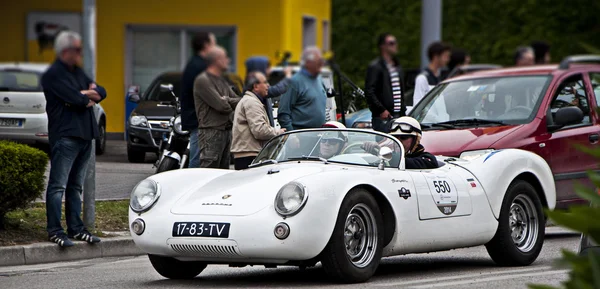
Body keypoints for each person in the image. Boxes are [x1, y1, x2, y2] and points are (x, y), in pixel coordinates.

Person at [41, 30, 106, 247]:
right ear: (64, 50)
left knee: (75, 187)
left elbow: (102, 92)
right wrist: (86, 96)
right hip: (66, 135)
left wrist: (85, 95)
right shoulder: (53, 75)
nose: (80, 54)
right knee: (58, 186)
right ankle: (55, 230)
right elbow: (76, 99)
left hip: (86, 135)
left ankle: (76, 229)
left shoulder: (78, 73)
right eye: (77, 50)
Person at [194, 46, 241, 169]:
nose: (228, 60)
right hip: (211, 132)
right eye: (225, 58)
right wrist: (228, 102)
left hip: (226, 131)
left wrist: (227, 99)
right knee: (209, 170)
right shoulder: (203, 80)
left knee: (223, 172)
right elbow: (221, 106)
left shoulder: (222, 81)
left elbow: (240, 102)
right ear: (216, 60)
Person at [231, 72, 286, 170]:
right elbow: (260, 130)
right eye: (265, 82)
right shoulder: (252, 102)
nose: (268, 85)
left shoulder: (251, 101)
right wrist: (279, 132)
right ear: (256, 86)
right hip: (249, 156)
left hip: (248, 153)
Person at [181, 32, 216, 168]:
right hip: (199, 120)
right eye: (213, 44)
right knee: (197, 160)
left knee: (198, 158)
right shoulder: (199, 67)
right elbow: (210, 94)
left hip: (197, 118)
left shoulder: (196, 64)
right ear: (206, 46)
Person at [277, 46, 327, 131]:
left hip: (318, 135)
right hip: (301, 137)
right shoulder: (294, 82)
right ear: (307, 62)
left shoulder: (319, 79)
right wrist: (291, 136)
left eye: (322, 61)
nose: (322, 64)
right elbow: (283, 113)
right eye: (318, 61)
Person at [365, 33, 407, 132]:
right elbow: (369, 92)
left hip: (399, 116)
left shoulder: (397, 66)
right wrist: (381, 110)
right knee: (384, 145)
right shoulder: (376, 67)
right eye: (391, 43)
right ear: (382, 46)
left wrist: (403, 110)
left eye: (395, 42)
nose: (395, 45)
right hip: (384, 118)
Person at [362, 117, 438, 169]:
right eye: (395, 138)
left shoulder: (427, 159)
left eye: (403, 137)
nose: (398, 141)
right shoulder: (391, 157)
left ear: (416, 139)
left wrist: (381, 152)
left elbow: (408, 163)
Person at [244, 56, 293, 126]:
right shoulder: (253, 87)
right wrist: (288, 76)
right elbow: (277, 89)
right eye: (267, 68)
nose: (270, 70)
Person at [413, 41, 451, 107]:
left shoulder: (442, 76)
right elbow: (418, 105)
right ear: (436, 57)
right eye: (445, 56)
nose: (447, 59)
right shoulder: (422, 78)